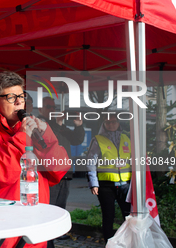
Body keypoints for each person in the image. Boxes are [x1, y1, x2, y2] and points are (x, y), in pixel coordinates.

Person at [0, 71, 70, 248]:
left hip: (33, 229)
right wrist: (21, 139)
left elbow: (59, 170)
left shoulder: (29, 130)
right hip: (3, 234)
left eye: (21, 96)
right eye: (11, 97)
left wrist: (47, 138)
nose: (19, 101)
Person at [38, 97, 84, 246]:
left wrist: (78, 125)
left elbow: (76, 139)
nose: (52, 109)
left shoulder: (59, 126)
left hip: (65, 174)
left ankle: (53, 239)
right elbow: (48, 142)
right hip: (50, 175)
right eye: (48, 106)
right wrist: (58, 124)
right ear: (40, 109)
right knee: (49, 211)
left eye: (54, 106)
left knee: (59, 209)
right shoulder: (39, 124)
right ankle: (47, 242)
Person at [86, 114, 131, 243]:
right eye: (108, 122)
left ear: (118, 123)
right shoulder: (98, 139)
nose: (111, 124)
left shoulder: (125, 138)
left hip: (125, 184)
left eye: (114, 122)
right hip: (106, 185)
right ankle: (108, 242)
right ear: (104, 124)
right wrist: (93, 183)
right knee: (108, 216)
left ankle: (128, 241)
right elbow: (91, 162)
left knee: (128, 216)